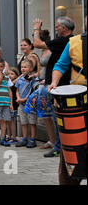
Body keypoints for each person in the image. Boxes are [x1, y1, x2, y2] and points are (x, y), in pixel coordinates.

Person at [48, 14, 87, 185]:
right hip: (76, 102)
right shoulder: (75, 42)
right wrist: (54, 82)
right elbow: (61, 65)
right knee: (71, 143)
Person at [32, 17, 74, 158]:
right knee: (56, 117)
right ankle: (59, 146)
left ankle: (59, 147)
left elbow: (36, 43)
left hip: (59, 87)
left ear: (64, 28)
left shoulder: (63, 41)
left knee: (58, 118)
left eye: (57, 26)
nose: (56, 28)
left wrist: (37, 28)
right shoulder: (67, 41)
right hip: (54, 84)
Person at [15, 59, 40, 148]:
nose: (23, 69)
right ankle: (25, 138)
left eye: (25, 67)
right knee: (24, 122)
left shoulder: (34, 79)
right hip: (21, 104)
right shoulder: (20, 79)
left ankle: (32, 139)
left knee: (32, 122)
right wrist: (18, 98)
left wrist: (25, 99)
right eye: (22, 67)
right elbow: (17, 90)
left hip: (30, 105)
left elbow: (35, 91)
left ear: (31, 68)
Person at [6, 67, 20, 143]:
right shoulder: (7, 82)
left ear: (16, 75)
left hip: (13, 104)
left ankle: (14, 137)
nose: (10, 75)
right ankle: (9, 136)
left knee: (12, 120)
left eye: (12, 74)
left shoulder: (15, 83)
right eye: (8, 74)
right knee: (7, 121)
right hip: (7, 103)